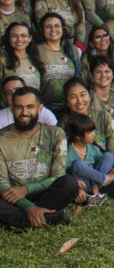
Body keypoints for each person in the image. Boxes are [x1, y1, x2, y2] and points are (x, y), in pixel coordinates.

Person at [0, 87, 74, 229]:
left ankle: (21, 220)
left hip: (45, 194)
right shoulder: (1, 138)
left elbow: (57, 176)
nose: (24, 113)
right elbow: (2, 184)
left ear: (40, 108)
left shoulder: (56, 134)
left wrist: (27, 189)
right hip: (12, 198)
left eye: (30, 107)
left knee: (69, 183)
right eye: (19, 107)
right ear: (11, 108)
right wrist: (29, 207)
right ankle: (40, 219)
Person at [36, 12, 82, 116]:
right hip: (44, 109)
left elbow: (78, 77)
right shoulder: (36, 51)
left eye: (57, 26)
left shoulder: (71, 50)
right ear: (42, 30)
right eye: (48, 27)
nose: (53, 30)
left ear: (63, 28)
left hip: (69, 107)